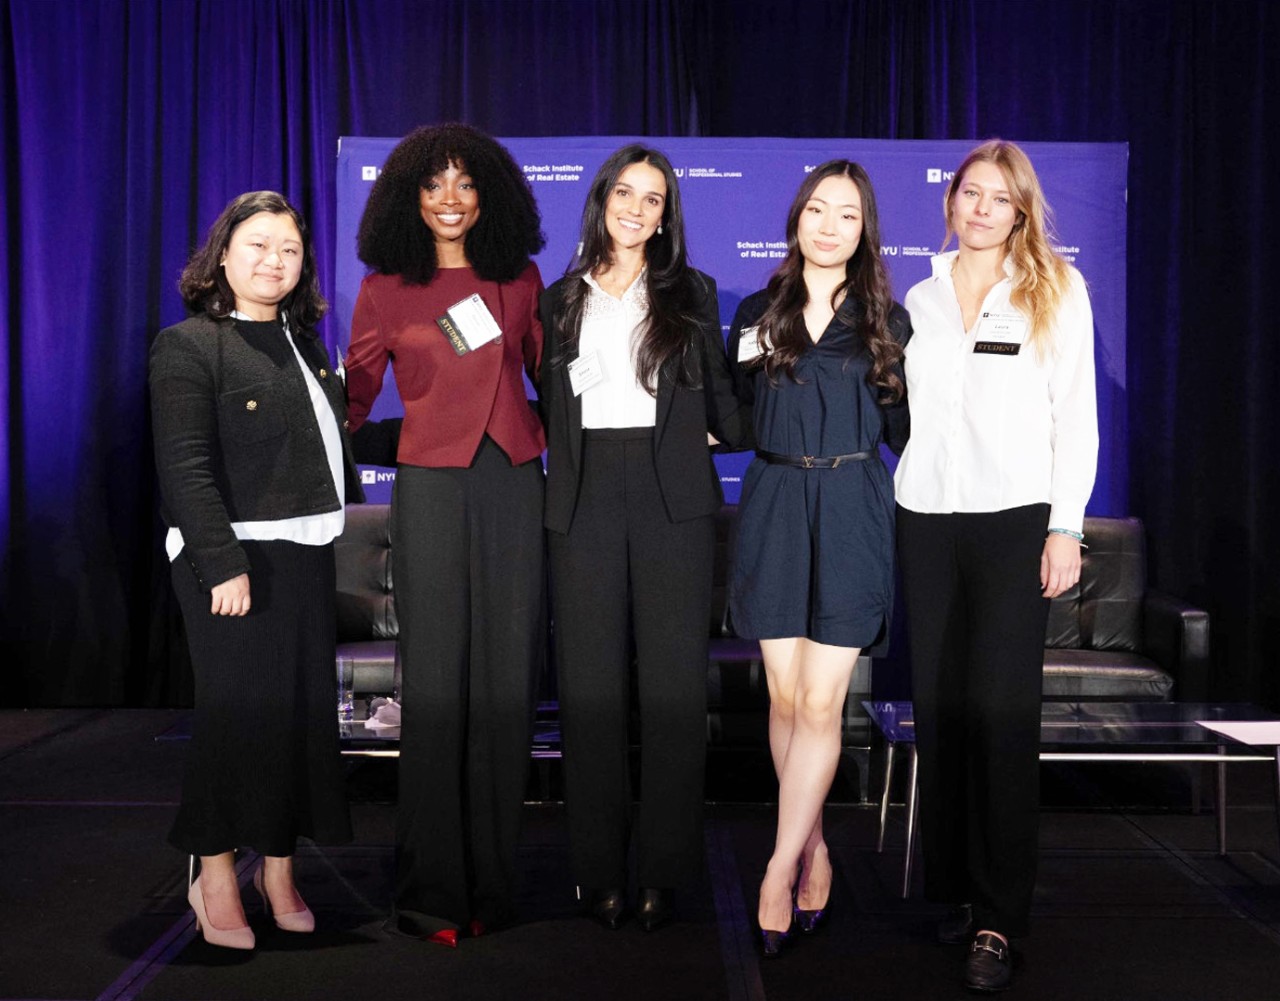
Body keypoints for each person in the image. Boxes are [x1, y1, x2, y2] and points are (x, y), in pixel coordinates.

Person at [894, 139, 1098, 992]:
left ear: (1021, 210)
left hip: (1015, 521)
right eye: (969, 193)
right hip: (925, 517)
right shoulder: (920, 294)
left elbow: (1075, 415)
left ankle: (999, 916)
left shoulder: (1057, 287)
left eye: (998, 197)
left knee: (1002, 713)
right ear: (951, 201)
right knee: (941, 707)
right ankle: (953, 887)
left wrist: (1066, 526)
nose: (980, 208)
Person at [539, 144, 752, 932]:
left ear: (666, 216)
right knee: (590, 693)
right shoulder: (559, 298)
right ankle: (598, 873)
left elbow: (720, 396)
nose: (636, 209)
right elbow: (545, 402)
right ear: (601, 201)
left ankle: (663, 872)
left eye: (652, 199)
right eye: (624, 193)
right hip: (584, 496)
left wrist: (733, 431)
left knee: (672, 693)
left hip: (674, 500)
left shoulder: (691, 291)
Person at [344, 123, 547, 946]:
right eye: (434, 185)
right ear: (410, 197)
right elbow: (353, 399)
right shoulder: (383, 290)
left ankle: (492, 884)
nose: (451, 199)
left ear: (488, 194)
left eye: (465, 183)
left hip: (513, 487)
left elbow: (557, 381)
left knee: (506, 685)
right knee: (434, 688)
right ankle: (431, 891)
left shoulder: (520, 278)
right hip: (429, 490)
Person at [150, 190, 364, 950]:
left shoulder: (308, 344)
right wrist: (221, 565)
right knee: (235, 721)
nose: (276, 260)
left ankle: (278, 871)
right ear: (222, 256)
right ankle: (211, 870)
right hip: (232, 562)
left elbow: (329, 445)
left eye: (290, 249)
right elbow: (185, 467)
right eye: (259, 245)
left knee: (296, 723)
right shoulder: (188, 345)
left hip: (305, 555)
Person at [726, 160, 911, 956]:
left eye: (846, 214)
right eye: (817, 210)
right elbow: (733, 415)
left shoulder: (888, 322)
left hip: (851, 505)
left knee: (821, 700)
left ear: (864, 230)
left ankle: (776, 870)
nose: (829, 226)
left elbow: (910, 429)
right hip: (773, 500)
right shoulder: (756, 312)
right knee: (784, 696)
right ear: (796, 218)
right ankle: (813, 847)